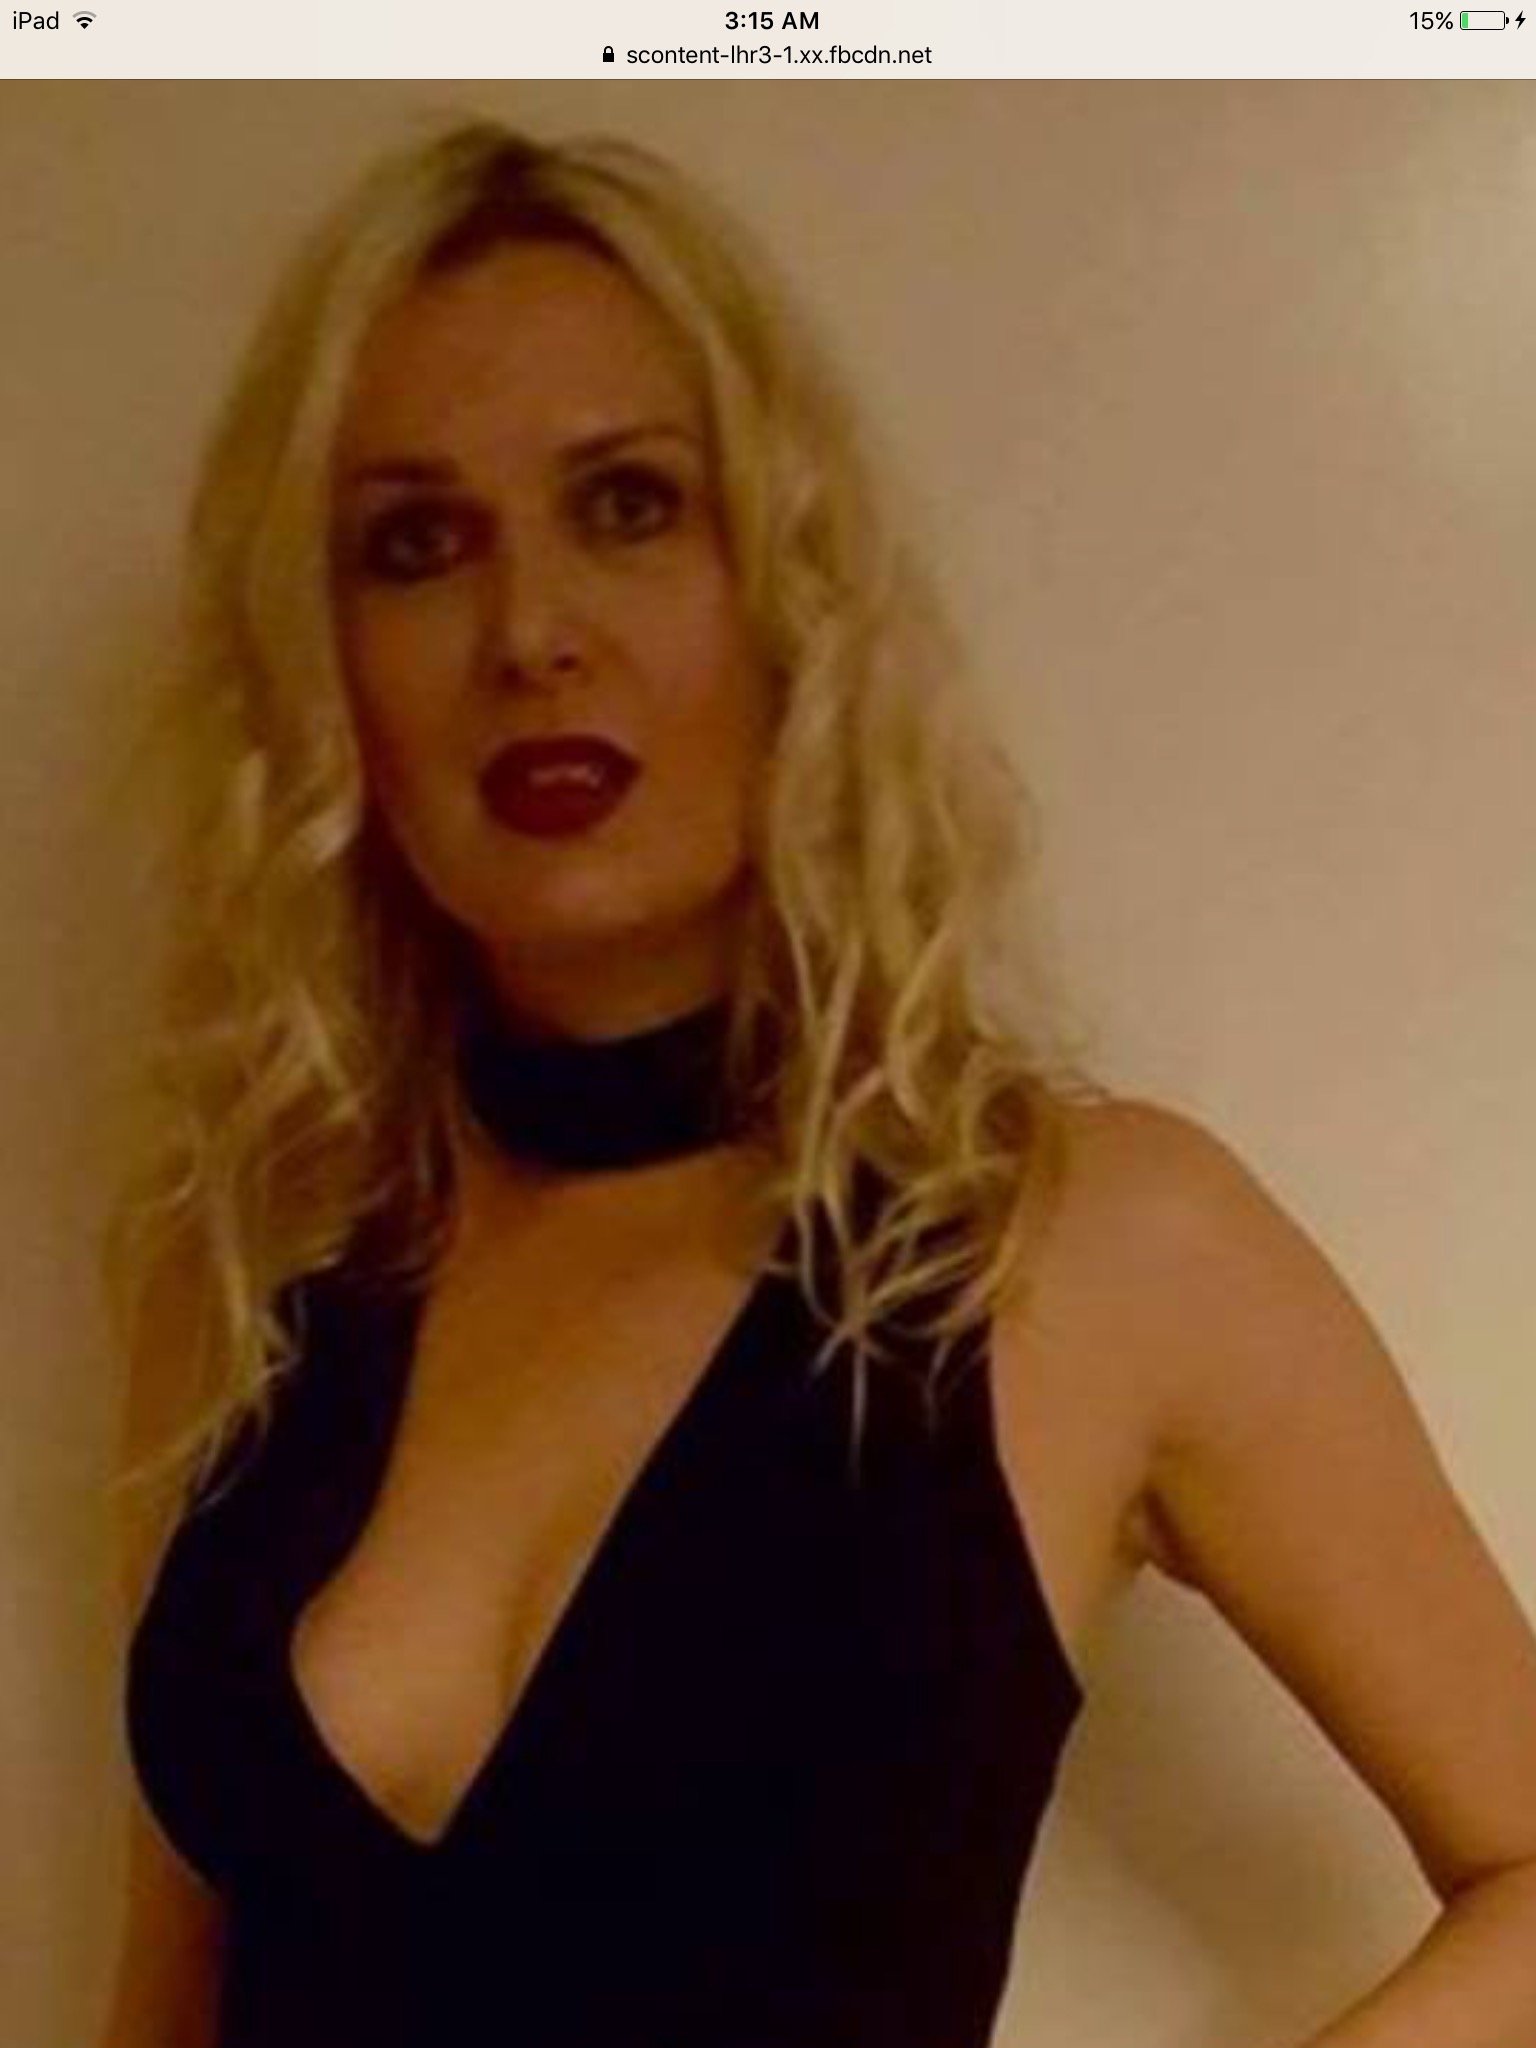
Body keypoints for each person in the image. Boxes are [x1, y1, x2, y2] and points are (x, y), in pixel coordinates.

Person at [100, 118, 1536, 2048]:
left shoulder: (1093, 1248)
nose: (530, 632)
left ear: (788, 589)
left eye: (627, 504)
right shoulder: (239, 1267)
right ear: (326, 659)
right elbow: (165, 2009)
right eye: (418, 545)